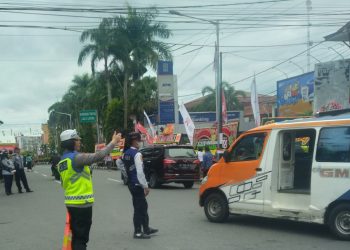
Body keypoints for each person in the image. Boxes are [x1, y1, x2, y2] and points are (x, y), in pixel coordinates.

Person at [57, 129, 121, 250]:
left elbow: (64, 183)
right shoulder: (76, 158)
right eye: (77, 140)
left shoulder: (63, 161)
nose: (79, 142)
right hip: (82, 204)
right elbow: (99, 155)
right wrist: (113, 142)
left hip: (71, 203)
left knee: (76, 237)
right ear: (71, 142)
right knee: (81, 239)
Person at [122, 132, 158, 239]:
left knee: (142, 206)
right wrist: (145, 186)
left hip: (131, 184)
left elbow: (120, 164)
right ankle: (138, 232)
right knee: (139, 208)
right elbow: (140, 172)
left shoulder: (126, 153)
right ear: (134, 141)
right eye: (139, 140)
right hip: (137, 184)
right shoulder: (137, 154)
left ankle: (146, 228)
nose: (140, 143)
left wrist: (127, 175)